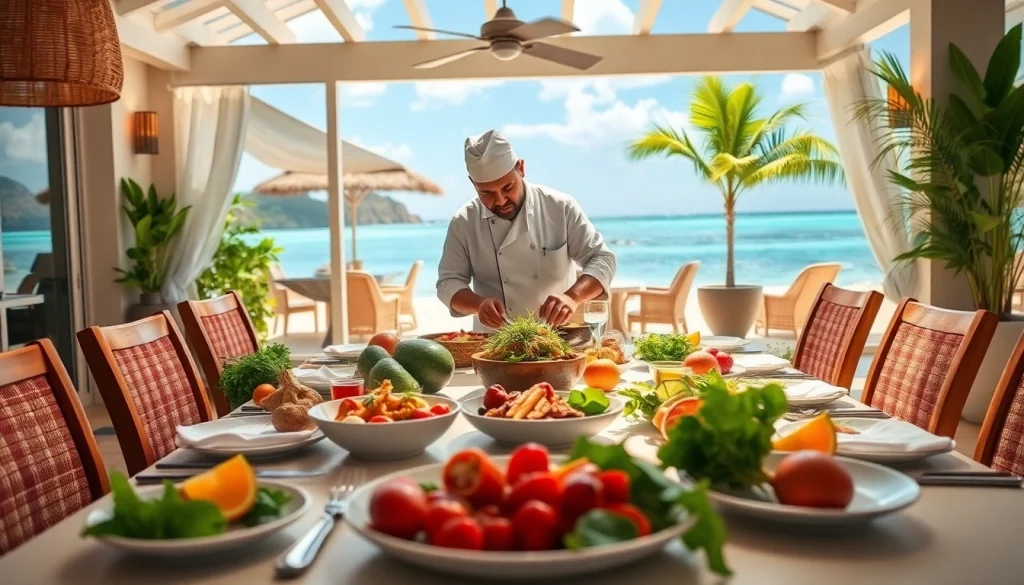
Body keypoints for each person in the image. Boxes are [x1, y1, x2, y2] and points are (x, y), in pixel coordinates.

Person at [436, 130, 616, 331]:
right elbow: (448, 282)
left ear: (521, 168)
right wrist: (478, 305)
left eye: (507, 188)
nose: (500, 201)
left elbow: (602, 259)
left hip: (556, 337)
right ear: (472, 183)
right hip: (492, 343)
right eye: (486, 193)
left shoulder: (560, 207)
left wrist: (572, 297)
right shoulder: (464, 221)